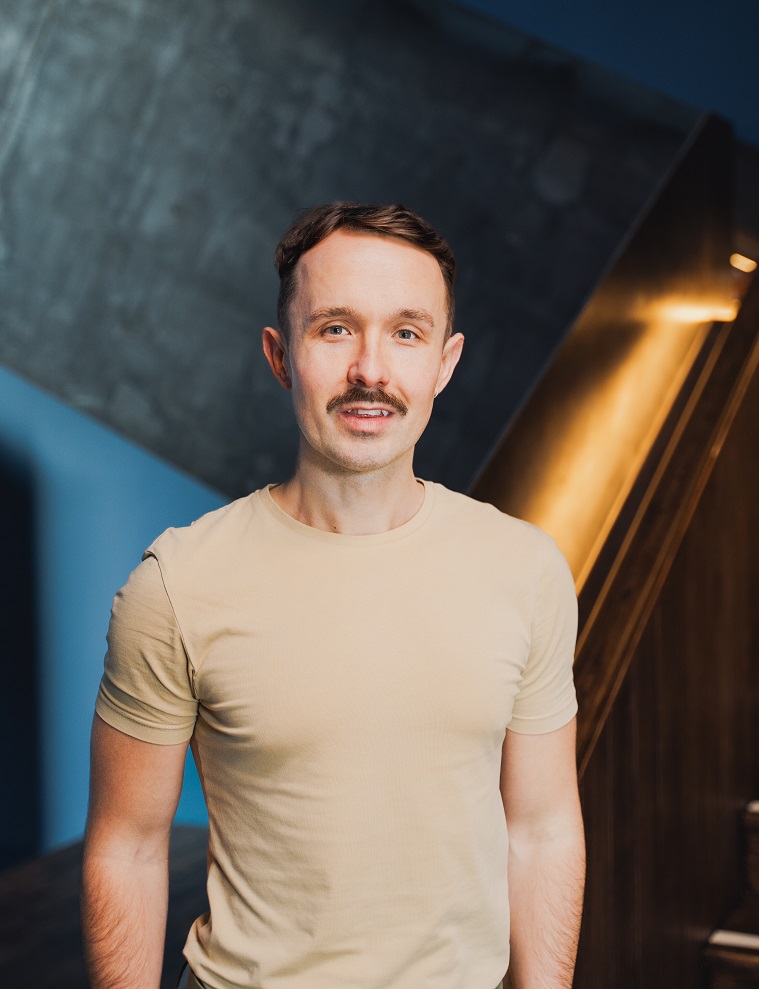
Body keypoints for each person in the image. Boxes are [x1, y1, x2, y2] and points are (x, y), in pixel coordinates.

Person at [81, 202, 585, 989]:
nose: (370, 371)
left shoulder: (525, 570)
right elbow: (128, 847)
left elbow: (542, 829)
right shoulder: (178, 584)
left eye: (406, 333)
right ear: (280, 355)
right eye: (336, 328)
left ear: (445, 362)